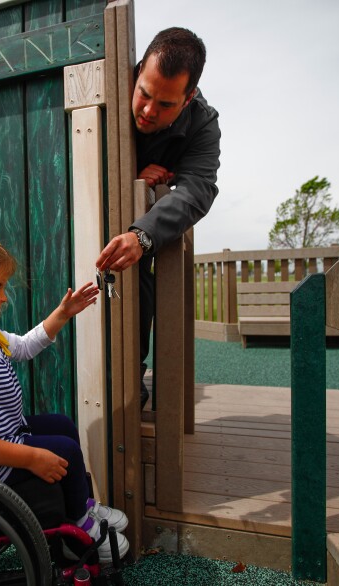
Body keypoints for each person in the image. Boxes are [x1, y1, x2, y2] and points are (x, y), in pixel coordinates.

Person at [0, 228, 129, 562]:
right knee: (64, 450)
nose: (4, 297)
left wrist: (62, 314)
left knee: (60, 425)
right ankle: (79, 529)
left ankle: (82, 506)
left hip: (0, 437)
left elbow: (26, 346)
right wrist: (31, 457)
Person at [95, 27, 221, 409]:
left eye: (165, 104)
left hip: (138, 240)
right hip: (89, 220)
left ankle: (134, 379)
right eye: (144, 94)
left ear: (189, 98)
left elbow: (197, 190)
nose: (148, 111)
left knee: (140, 294)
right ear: (136, 75)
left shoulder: (202, 123)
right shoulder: (107, 85)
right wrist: (134, 172)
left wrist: (142, 235)